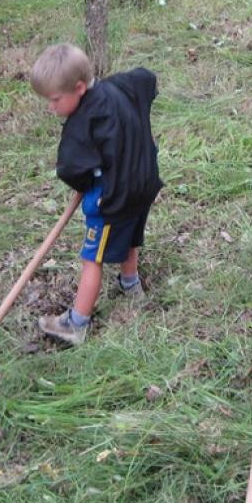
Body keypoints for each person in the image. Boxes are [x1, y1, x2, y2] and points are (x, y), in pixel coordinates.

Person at [30, 44, 162, 346]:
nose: (51, 108)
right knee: (130, 236)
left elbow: (70, 169)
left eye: (54, 100)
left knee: (93, 257)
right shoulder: (119, 86)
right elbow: (146, 78)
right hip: (143, 182)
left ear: (78, 88)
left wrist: (87, 181)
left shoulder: (82, 122)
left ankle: (76, 323)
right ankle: (131, 285)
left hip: (112, 197)